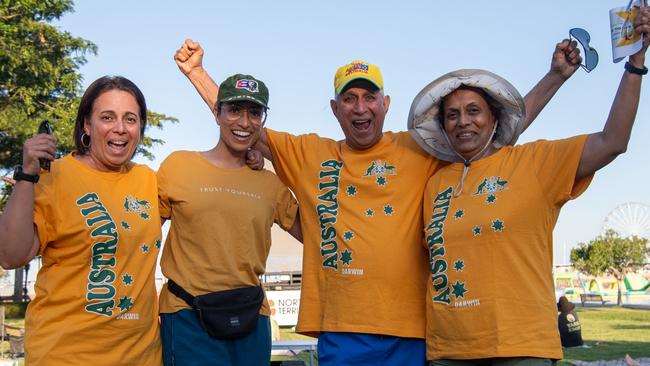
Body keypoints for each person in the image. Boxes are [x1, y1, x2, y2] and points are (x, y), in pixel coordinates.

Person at [175, 38, 580, 365]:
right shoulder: (309, 154)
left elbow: (494, 132)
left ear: (386, 105)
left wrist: (555, 77)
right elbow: (244, 126)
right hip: (343, 330)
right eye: (349, 99)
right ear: (335, 109)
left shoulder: (421, 149)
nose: (360, 107)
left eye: (369, 97)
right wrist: (198, 74)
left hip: (414, 333)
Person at [411, 10, 648, 364]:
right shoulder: (434, 183)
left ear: (494, 118)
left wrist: (635, 64)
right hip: (448, 351)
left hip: (522, 348)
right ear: (443, 127)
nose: (463, 121)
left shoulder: (534, 164)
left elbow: (613, 141)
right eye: (452, 114)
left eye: (474, 110)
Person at [0, 76, 162, 365]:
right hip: (64, 355)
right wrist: (27, 175)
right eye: (107, 117)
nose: (120, 128)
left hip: (141, 356)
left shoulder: (149, 180)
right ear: (87, 124)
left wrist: (247, 152)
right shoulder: (53, 176)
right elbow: (10, 255)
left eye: (130, 119)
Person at [157, 72, 301, 365]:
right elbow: (140, 236)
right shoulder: (178, 166)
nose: (244, 122)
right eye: (234, 110)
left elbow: (316, 233)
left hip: (251, 317)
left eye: (255, 112)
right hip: (187, 314)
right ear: (217, 113)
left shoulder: (270, 184)